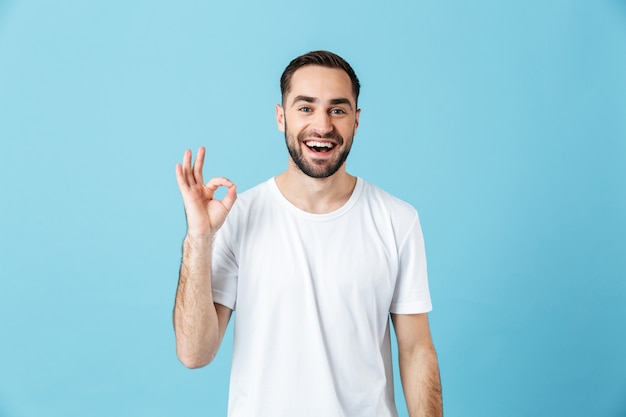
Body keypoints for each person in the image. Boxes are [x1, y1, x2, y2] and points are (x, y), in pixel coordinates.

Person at [173, 50, 442, 417]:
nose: (323, 125)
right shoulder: (239, 217)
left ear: (356, 121)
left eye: (337, 109)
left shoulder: (397, 220)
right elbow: (194, 353)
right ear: (280, 117)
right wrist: (199, 239)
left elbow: (416, 351)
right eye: (305, 108)